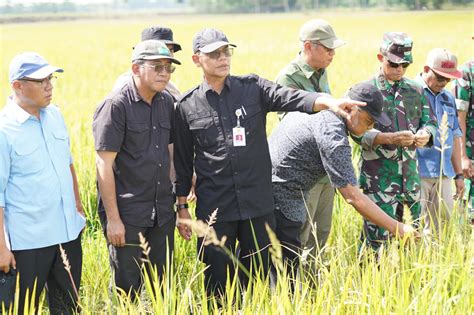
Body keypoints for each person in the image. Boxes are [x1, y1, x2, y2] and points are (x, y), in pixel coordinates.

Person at [173, 27, 366, 297]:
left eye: (226, 51)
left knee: (257, 281)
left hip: (257, 206)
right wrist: (182, 208)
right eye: (214, 54)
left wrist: (328, 102)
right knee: (216, 284)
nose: (223, 58)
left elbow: (292, 97)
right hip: (216, 209)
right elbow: (182, 163)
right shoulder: (186, 106)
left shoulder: (252, 89)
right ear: (197, 60)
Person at [270, 82, 417, 277]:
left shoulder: (324, 104)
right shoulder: (332, 136)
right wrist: (397, 227)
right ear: (350, 108)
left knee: (261, 259)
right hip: (283, 197)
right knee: (283, 270)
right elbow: (353, 197)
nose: (371, 126)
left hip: (267, 186)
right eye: (369, 120)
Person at [93, 40, 188, 298]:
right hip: (128, 212)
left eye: (168, 68)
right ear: (136, 69)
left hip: (161, 210)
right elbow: (104, 165)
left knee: (163, 286)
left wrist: (179, 206)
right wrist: (113, 219)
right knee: (127, 288)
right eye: (157, 67)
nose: (164, 74)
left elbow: (170, 153)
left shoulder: (166, 102)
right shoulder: (116, 106)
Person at [0, 52, 85, 314]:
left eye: (50, 79)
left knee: (68, 307)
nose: (48, 86)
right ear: (17, 85)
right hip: (29, 241)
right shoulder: (4, 130)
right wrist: (2, 248)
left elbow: (68, 164)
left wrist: (78, 209)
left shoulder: (55, 116)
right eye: (40, 81)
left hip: (67, 234)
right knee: (25, 309)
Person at [352, 32, 437, 251]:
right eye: (393, 64)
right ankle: (372, 280)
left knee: (413, 238)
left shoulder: (416, 90)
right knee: (376, 241)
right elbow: (352, 129)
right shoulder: (366, 91)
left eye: (405, 65)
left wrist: (426, 134)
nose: (399, 70)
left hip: (411, 179)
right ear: (381, 58)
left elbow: (431, 122)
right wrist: (384, 138)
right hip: (379, 180)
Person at [274, 18, 345, 259]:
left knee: (321, 235)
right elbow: (292, 125)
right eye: (327, 48)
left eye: (333, 48)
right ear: (308, 47)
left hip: (326, 170)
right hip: (304, 173)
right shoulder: (288, 78)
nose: (332, 54)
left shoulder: (321, 72)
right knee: (300, 237)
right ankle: (294, 291)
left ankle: (316, 291)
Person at [416, 48, 463, 233]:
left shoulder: (448, 97)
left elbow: (455, 135)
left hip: (444, 172)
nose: (444, 83)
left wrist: (458, 175)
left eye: (448, 79)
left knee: (441, 229)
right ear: (426, 69)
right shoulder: (411, 92)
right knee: (414, 228)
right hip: (417, 171)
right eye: (440, 77)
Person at [113, 26, 182, 101]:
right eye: (160, 49)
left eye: (170, 50)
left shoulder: (169, 86)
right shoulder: (125, 86)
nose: (166, 54)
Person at [454, 60, 474, 224]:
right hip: (471, 152)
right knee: (469, 215)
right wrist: (462, 157)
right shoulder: (466, 72)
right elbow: (459, 117)